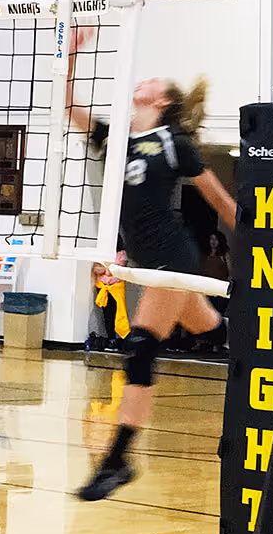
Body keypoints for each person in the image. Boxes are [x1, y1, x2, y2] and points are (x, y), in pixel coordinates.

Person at [67, 29, 237, 500]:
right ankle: (254, 332)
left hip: (169, 257)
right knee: (213, 329)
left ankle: (117, 459)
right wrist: (71, 57)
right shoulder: (118, 137)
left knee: (141, 348)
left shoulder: (173, 142)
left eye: (151, 81)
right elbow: (69, 108)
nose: (141, 81)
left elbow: (221, 201)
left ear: (161, 100)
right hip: (144, 258)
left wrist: (271, 237)